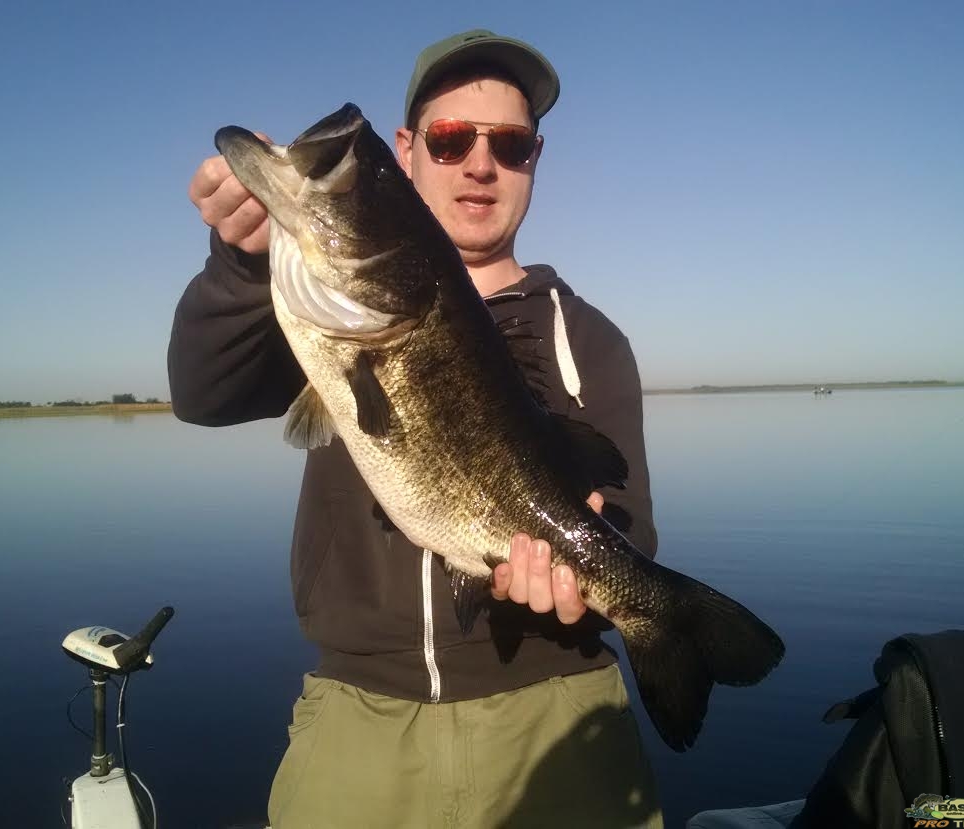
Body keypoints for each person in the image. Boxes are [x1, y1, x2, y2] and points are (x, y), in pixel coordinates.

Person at [169, 29, 663, 829]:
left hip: (556, 711)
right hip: (358, 720)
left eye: (509, 144)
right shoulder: (329, 309)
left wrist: (588, 587)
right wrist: (239, 263)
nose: (480, 164)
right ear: (406, 151)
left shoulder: (590, 339)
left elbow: (628, 526)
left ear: (535, 158)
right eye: (450, 139)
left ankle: (672, 628)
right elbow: (202, 393)